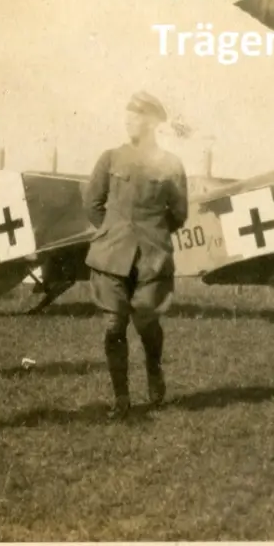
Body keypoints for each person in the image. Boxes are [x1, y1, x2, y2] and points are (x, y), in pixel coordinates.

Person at [83, 91, 189, 419]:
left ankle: (154, 371)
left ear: (153, 123)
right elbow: (92, 204)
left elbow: (179, 213)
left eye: (137, 117)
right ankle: (121, 398)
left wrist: (152, 235)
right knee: (113, 325)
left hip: (151, 258)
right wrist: (112, 232)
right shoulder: (110, 158)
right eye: (127, 115)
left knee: (146, 321)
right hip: (111, 256)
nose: (129, 121)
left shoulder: (171, 164)